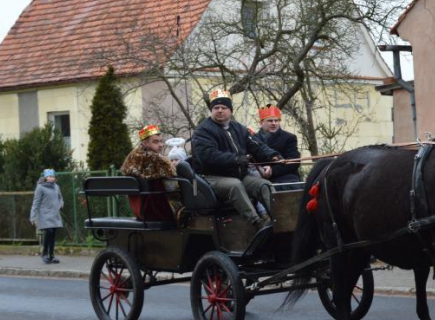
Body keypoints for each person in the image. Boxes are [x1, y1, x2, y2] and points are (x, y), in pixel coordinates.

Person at [191, 89, 281, 229]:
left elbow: (256, 145)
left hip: (238, 174)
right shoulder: (203, 131)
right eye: (216, 107)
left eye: (224, 107)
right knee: (235, 186)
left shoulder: (239, 128)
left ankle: (279, 220)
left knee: (265, 186)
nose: (220, 110)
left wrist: (273, 156)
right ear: (211, 110)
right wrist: (236, 159)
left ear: (230, 110)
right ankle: (257, 223)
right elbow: (207, 156)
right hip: (211, 177)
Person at [120, 124, 176, 221]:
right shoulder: (155, 159)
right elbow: (172, 178)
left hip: (138, 210)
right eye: (155, 142)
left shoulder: (133, 156)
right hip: (156, 211)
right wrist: (175, 166)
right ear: (145, 143)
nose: (160, 145)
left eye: (161, 141)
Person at [252, 104, 301, 184]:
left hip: (285, 176)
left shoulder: (289, 138)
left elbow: (294, 162)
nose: (274, 123)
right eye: (270, 121)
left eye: (276, 120)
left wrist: (272, 170)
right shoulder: (253, 139)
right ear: (261, 123)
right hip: (259, 177)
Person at [30, 169, 63, 264]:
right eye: (50, 176)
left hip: (54, 214)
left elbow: (60, 198)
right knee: (49, 231)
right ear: (45, 178)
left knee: (53, 234)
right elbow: (36, 203)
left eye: (53, 176)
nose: (52, 178)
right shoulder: (40, 187)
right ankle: (44, 253)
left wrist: (61, 204)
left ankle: (51, 256)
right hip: (44, 214)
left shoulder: (56, 187)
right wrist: (32, 216)